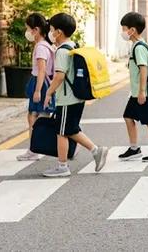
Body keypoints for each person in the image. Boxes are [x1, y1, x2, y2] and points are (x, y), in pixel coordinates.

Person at [42, 13, 109, 177]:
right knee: (70, 129)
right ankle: (95, 151)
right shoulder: (74, 46)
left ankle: (63, 166)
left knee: (62, 132)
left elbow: (59, 76)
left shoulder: (61, 52)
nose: (50, 33)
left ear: (58, 32)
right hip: (77, 97)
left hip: (67, 99)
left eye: (51, 30)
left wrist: (49, 93)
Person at [117, 12, 148, 162]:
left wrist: (141, 92)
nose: (123, 32)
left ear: (132, 30)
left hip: (143, 93)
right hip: (136, 92)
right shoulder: (137, 45)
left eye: (124, 28)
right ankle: (134, 148)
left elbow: (143, 69)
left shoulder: (139, 47)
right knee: (128, 117)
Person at [17, 13, 56, 162]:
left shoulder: (41, 48)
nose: (27, 32)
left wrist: (38, 90)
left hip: (40, 83)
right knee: (36, 116)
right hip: (44, 83)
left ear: (36, 29)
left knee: (36, 117)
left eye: (28, 29)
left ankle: (34, 149)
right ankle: (34, 148)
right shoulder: (47, 45)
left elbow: (42, 70)